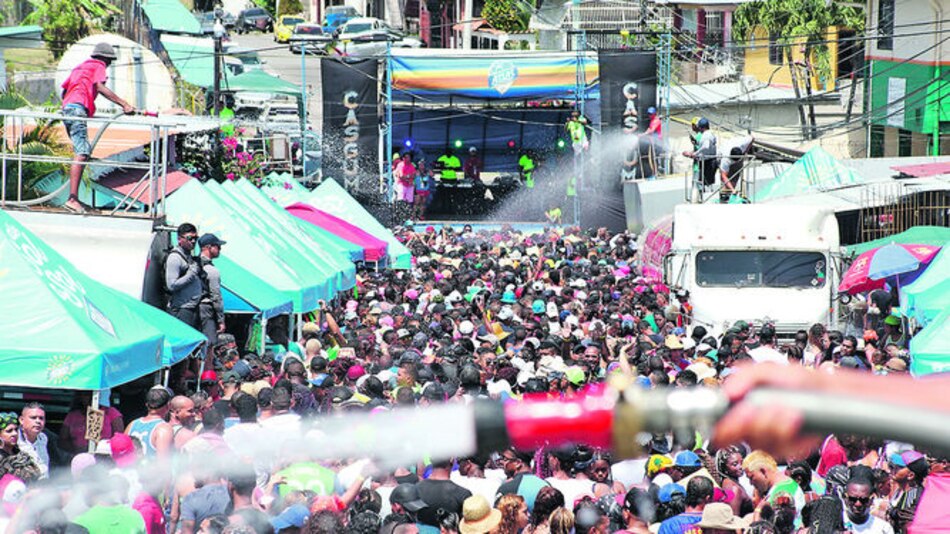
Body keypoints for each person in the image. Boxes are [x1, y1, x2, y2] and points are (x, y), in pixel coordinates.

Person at [60, 42, 136, 214]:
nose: (108, 65)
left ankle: (74, 198)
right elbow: (99, 86)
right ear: (105, 59)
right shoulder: (98, 65)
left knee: (81, 151)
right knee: (82, 152)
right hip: (77, 108)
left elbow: (64, 91)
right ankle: (72, 199)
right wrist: (124, 104)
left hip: (68, 108)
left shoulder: (80, 67)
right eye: (109, 61)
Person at [165, 223, 203, 330]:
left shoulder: (188, 256)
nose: (193, 241)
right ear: (179, 239)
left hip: (192, 308)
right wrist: (191, 273)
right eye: (189, 238)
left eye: (195, 238)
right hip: (181, 309)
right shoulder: (175, 258)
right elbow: (171, 285)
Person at [125, 387, 173, 458]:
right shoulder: (163, 429)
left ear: (147, 405)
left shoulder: (132, 424)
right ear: (169, 405)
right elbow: (163, 462)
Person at [197, 233, 227, 345]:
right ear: (208, 247)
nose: (220, 249)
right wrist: (220, 320)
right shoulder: (211, 270)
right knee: (210, 343)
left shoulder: (193, 264)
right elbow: (216, 296)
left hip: (192, 309)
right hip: (206, 309)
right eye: (217, 246)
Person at [682, 118, 716, 191]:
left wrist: (695, 153)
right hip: (708, 161)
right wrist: (696, 143)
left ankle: (703, 195)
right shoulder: (709, 134)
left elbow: (706, 146)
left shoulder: (706, 135)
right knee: (706, 183)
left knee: (703, 183)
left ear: (701, 127)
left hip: (707, 162)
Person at [17, 403, 49, 479]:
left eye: (41, 418)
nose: (38, 421)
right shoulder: (14, 440)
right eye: (33, 418)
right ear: (21, 420)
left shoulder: (43, 438)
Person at [394, 153, 417, 217]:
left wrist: (407, 177)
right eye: (406, 157)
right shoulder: (400, 165)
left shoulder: (411, 165)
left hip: (410, 185)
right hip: (402, 184)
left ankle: (408, 215)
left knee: (410, 201)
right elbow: (401, 176)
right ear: (403, 158)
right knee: (401, 199)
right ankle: (400, 214)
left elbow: (414, 175)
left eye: (409, 157)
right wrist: (409, 177)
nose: (408, 159)